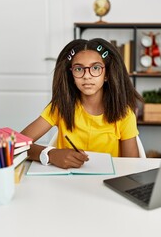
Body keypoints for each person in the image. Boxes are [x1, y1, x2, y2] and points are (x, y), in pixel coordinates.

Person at [21, 38, 143, 169]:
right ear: (71, 75)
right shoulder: (60, 107)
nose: (87, 76)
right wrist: (49, 154)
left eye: (96, 68)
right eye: (79, 69)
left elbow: (132, 167)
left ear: (106, 74)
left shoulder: (123, 113)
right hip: (64, 184)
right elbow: (15, 145)